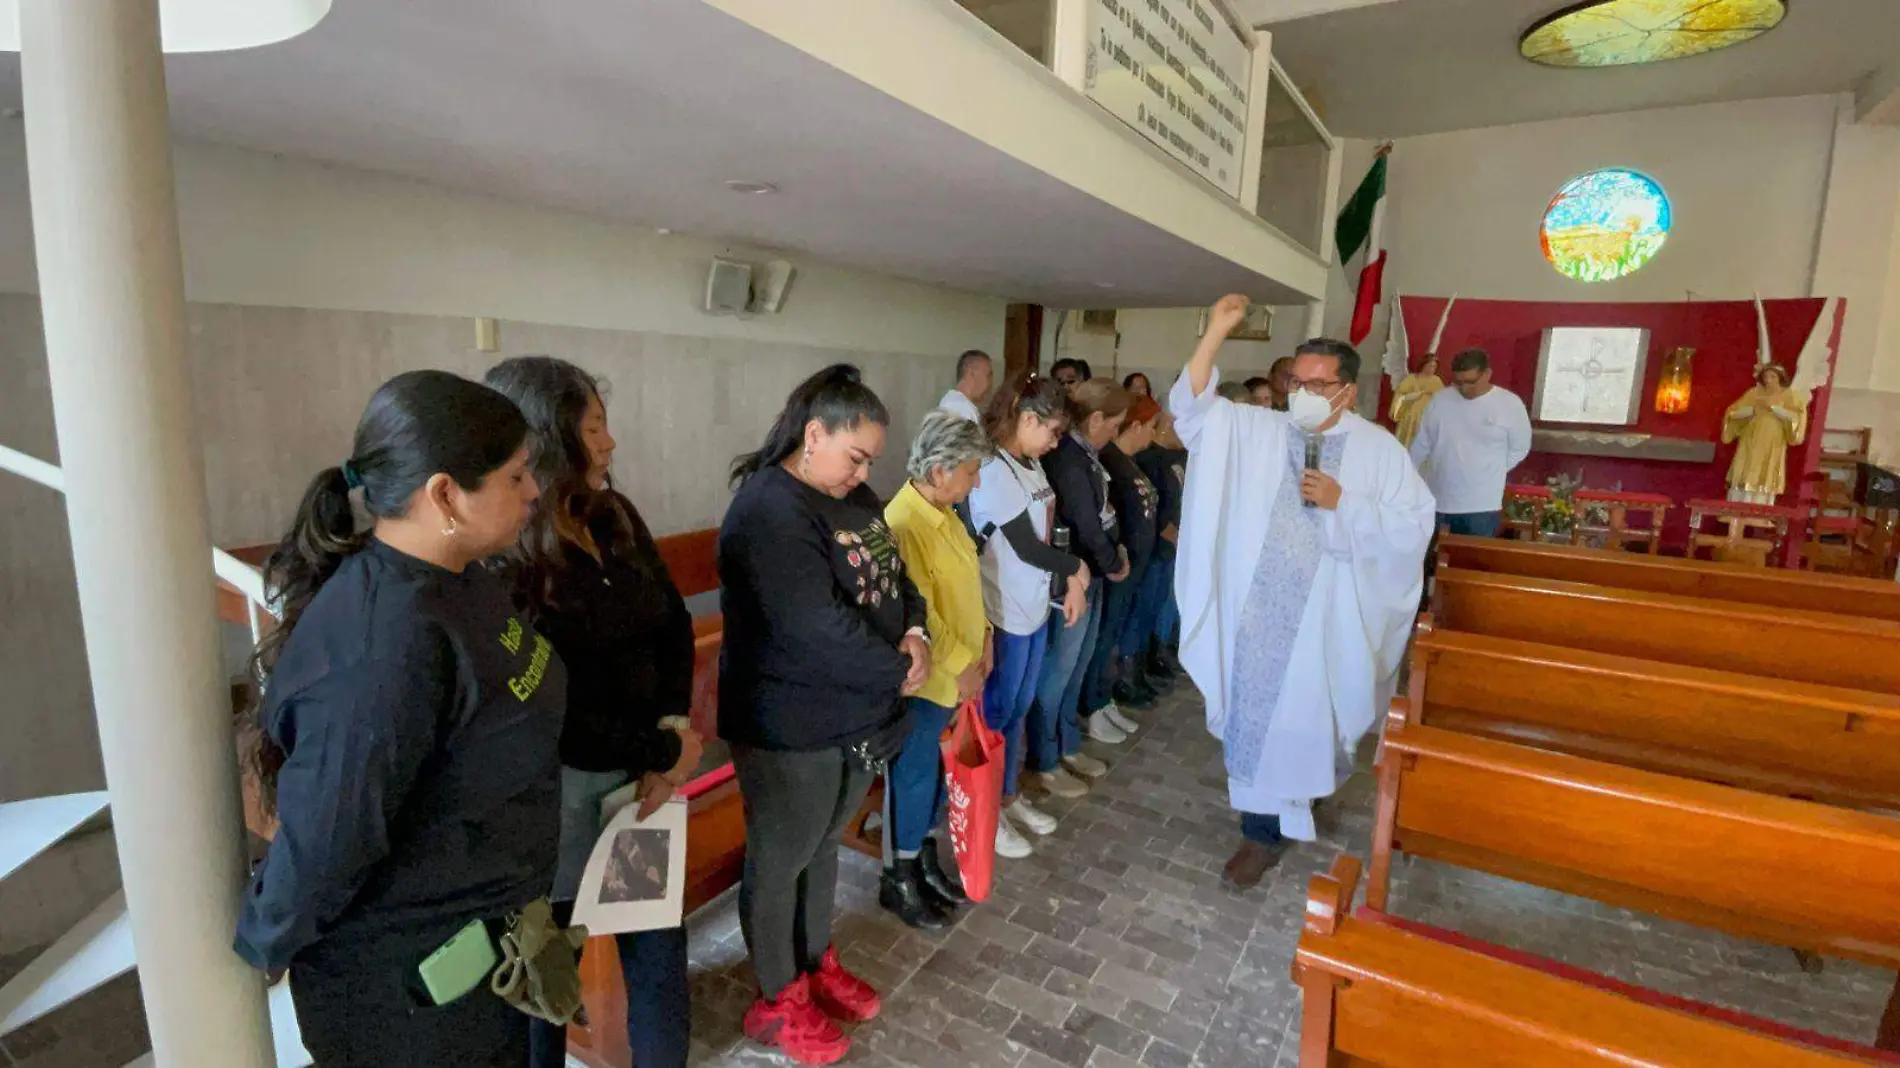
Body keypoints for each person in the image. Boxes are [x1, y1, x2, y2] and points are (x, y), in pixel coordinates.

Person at [234, 371, 558, 1067]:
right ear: (444, 493)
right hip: (407, 1005)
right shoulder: (386, 642)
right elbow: (328, 837)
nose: (534, 491)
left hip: (481, 961)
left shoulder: (462, 577)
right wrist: (262, 941)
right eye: (515, 475)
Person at [1170, 296, 1435, 890]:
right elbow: (1191, 411)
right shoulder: (1258, 430)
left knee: (1312, 718)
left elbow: (1415, 525)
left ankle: (1302, 801)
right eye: (1297, 380)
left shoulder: (1378, 451)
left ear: (1349, 391)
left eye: (1320, 383)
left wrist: (1348, 505)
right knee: (1259, 721)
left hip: (1328, 619)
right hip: (1258, 612)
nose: (1304, 392)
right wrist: (1214, 331)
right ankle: (1258, 832)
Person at [485, 356, 699, 1068]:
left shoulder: (616, 514)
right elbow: (551, 707)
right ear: (549, 440)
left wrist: (671, 732)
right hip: (560, 800)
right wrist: (660, 753)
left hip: (635, 792)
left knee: (655, 947)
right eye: (595, 427)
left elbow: (671, 624)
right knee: (546, 974)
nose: (609, 443)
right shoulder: (508, 553)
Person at [719, 364, 929, 1066]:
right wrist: (898, 668)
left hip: (854, 713)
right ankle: (779, 999)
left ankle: (814, 965)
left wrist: (918, 632)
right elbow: (813, 627)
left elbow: (895, 580)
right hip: (790, 719)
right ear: (815, 434)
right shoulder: (770, 510)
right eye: (856, 455)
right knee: (781, 859)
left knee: (824, 845)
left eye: (870, 459)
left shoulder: (853, 497)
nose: (863, 472)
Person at [881, 411, 993, 929]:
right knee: (915, 772)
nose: (975, 480)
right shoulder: (905, 522)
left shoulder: (945, 512)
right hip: (931, 679)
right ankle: (899, 874)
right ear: (940, 470)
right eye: (970, 470)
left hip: (960, 676)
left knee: (933, 774)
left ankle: (923, 859)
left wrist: (987, 637)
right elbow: (919, 612)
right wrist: (962, 666)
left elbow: (969, 584)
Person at [970, 374, 1089, 856]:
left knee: (1017, 709)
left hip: (1033, 605)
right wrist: (1077, 569)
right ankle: (987, 813)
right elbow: (1023, 546)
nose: (1056, 441)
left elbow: (1048, 532)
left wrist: (1065, 585)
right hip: (1003, 610)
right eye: (1053, 431)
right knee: (997, 712)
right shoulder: (995, 469)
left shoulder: (1031, 464)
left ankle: (1009, 794)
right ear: (1026, 418)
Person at [1029, 378, 1132, 793]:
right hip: (1073, 578)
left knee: (1077, 667)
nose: (1115, 433)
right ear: (1094, 418)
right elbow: (1085, 521)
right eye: (1114, 424)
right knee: (1058, 671)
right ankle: (1045, 758)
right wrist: (1110, 561)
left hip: (1091, 572)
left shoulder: (1087, 454)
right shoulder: (1069, 458)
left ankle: (1066, 744)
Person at [1087, 395, 1161, 727]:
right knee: (1104, 638)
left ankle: (1103, 697)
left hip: (1133, 567)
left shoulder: (1131, 461)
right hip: (1118, 567)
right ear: (1135, 426)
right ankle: (1092, 702)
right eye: (1152, 427)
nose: (1155, 434)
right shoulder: (1112, 463)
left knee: (1113, 634)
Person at [1407, 348, 1532, 538]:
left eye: (1471, 382)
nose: (1465, 389)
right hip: (1437, 501)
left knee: (1471, 563)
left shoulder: (1509, 404)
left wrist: (1485, 470)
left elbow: (1519, 448)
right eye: (1459, 383)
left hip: (1482, 506)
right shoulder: (1440, 400)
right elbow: (1421, 445)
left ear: (1487, 374)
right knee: (1431, 565)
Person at [1134, 407, 1187, 683]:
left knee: (1163, 607)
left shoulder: (1181, 457)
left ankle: (1153, 658)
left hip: (1172, 549)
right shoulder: (1150, 459)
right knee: (1146, 611)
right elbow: (1156, 512)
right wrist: (1179, 541)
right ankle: (1134, 669)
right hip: (1157, 549)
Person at [1722, 363, 1809, 504]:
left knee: (1767, 469)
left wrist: (1774, 408)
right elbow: (1733, 413)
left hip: (1773, 441)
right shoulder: (1754, 393)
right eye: (1766, 376)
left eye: (1773, 376)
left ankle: (1760, 507)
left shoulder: (1789, 395)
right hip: (1751, 438)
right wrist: (1753, 410)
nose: (1768, 380)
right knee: (1746, 467)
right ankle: (1738, 505)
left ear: (1781, 378)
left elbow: (1796, 418)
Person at [1388, 353, 1442, 449]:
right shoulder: (1411, 379)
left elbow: (1442, 400)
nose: (1432, 369)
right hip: (1409, 417)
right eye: (1430, 366)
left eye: (1434, 366)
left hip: (1426, 418)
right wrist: (1413, 395)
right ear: (1423, 365)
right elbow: (1400, 395)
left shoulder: (1436, 381)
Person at [939, 349, 994, 424]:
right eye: (988, 375)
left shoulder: (952, 402)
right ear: (971, 373)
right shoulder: (962, 408)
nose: (991, 382)